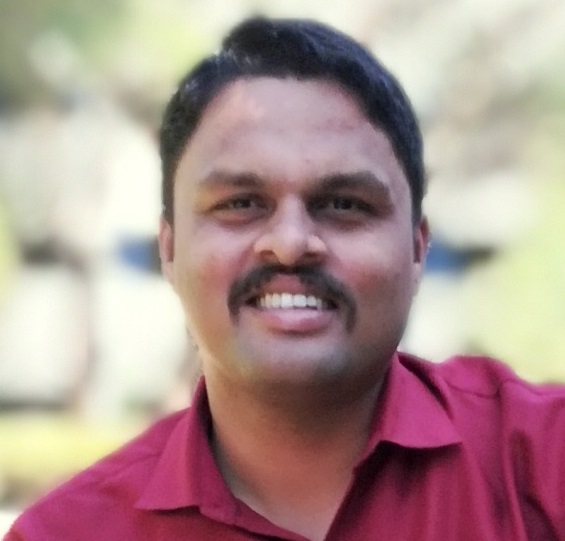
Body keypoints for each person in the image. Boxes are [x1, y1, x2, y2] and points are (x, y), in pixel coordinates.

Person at [5, 16, 565, 541]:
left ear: (419, 247)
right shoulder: (70, 532)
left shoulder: (542, 465)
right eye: (241, 203)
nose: (291, 243)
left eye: (344, 204)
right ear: (169, 250)